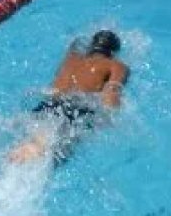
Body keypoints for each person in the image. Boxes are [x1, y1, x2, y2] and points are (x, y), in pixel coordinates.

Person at [8, 30, 129, 165]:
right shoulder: (117, 65)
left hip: (46, 105)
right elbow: (112, 92)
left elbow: (75, 43)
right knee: (52, 158)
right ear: (113, 53)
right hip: (75, 110)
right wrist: (109, 119)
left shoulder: (71, 58)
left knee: (37, 144)